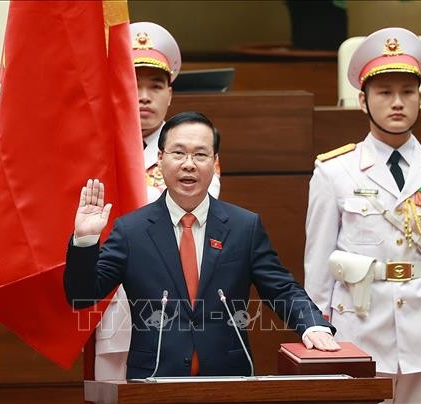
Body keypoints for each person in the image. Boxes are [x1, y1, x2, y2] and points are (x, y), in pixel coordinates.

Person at [64, 111, 339, 379]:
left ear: (215, 162)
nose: (188, 164)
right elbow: (83, 294)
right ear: (160, 159)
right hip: (153, 380)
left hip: (228, 379)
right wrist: (86, 240)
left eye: (200, 154)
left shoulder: (244, 227)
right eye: (178, 153)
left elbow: (281, 288)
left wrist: (312, 326)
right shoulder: (131, 230)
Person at [303, 27, 421, 403]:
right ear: (363, 101)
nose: (397, 102)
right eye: (384, 93)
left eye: (407, 92)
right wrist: (319, 340)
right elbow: (317, 271)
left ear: (420, 98)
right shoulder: (334, 171)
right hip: (358, 331)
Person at [93, 22, 222, 381]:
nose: (144, 96)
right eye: (134, 83)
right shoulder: (93, 155)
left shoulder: (191, 158)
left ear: (171, 93)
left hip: (173, 308)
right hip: (107, 306)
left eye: (156, 85)